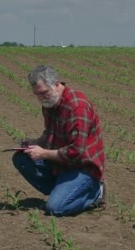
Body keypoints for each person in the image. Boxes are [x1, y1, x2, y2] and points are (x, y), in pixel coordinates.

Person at [12, 65, 106, 216]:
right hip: (61, 164)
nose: (41, 98)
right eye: (37, 94)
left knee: (55, 208)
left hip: (82, 168)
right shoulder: (50, 104)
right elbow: (50, 134)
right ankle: (63, 189)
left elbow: (77, 152)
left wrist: (42, 154)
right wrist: (35, 142)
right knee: (21, 159)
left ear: (56, 84)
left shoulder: (77, 106)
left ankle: (95, 192)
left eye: (44, 93)